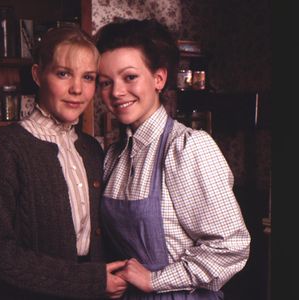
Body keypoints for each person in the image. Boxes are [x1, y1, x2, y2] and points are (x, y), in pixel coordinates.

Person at [95, 19, 251, 299]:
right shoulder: (113, 157)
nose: (116, 92)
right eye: (106, 82)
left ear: (159, 78)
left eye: (130, 77)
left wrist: (155, 280)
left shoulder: (187, 148)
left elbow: (232, 246)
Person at [0, 26, 128, 299]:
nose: (77, 89)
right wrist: (89, 281)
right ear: (38, 75)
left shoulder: (91, 149)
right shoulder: (5, 149)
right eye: (63, 73)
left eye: (88, 77)